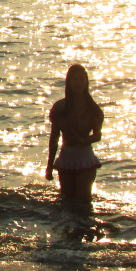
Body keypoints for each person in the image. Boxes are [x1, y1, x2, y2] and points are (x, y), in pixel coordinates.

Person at [45, 64, 104, 202]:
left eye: (82, 80)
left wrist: (82, 141)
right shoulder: (60, 108)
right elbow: (54, 138)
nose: (79, 83)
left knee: (83, 201)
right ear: (69, 82)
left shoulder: (93, 109)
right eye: (75, 80)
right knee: (67, 201)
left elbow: (97, 136)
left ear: (86, 82)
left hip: (86, 160)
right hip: (66, 160)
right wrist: (49, 166)